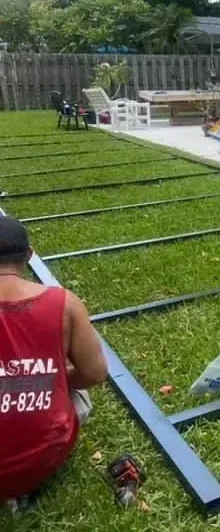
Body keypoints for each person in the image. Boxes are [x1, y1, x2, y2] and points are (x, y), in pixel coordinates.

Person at [0, 215, 108, 511]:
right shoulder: (65, 303)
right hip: (43, 455)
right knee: (78, 393)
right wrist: (45, 376)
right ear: (29, 254)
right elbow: (95, 373)